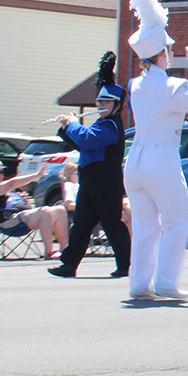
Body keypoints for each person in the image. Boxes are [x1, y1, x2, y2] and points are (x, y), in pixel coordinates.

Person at [121, 0, 188, 300]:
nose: (172, 52)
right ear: (161, 54)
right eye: (168, 49)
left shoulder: (135, 85)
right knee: (177, 220)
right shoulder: (173, 86)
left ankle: (139, 284)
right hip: (160, 159)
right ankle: (166, 283)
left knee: (145, 227)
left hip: (134, 160)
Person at [50, 52, 133, 279]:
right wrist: (66, 128)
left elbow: (88, 139)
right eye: (99, 101)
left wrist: (74, 124)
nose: (100, 105)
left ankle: (126, 265)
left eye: (106, 102)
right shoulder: (102, 122)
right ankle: (68, 265)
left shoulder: (112, 126)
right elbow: (84, 146)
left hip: (105, 182)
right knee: (82, 224)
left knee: (112, 225)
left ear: (117, 106)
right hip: (91, 180)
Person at [0, 158, 67, 258]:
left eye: (2, 171)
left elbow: (27, 207)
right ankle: (49, 251)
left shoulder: (4, 189)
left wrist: (24, 201)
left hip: (22, 219)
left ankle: (65, 249)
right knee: (45, 211)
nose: (1, 174)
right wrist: (36, 175)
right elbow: (12, 183)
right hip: (8, 223)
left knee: (60, 209)